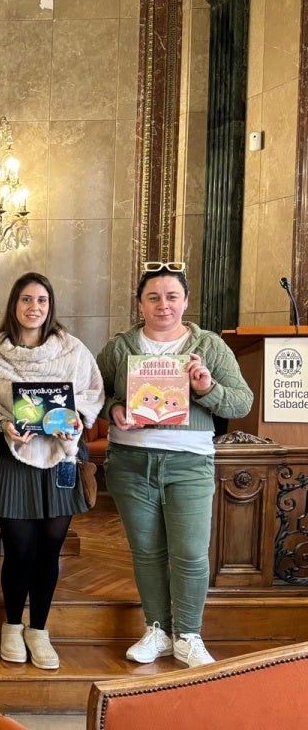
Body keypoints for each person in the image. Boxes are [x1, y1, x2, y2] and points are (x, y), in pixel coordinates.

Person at [96, 261, 252, 668]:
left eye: (171, 296)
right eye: (153, 297)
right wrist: (114, 411)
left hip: (190, 463)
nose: (162, 305)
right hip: (131, 461)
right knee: (146, 551)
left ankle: (188, 634)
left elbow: (242, 402)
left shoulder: (210, 347)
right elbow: (94, 395)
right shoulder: (119, 347)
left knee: (191, 552)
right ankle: (157, 629)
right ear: (140, 304)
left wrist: (206, 387)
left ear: (185, 302)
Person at [0, 273, 104, 670]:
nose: (34, 308)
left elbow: (92, 394)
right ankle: (12, 625)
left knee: (50, 549)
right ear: (14, 305)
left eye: (42, 300)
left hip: (60, 459)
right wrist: (2, 424)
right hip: (13, 460)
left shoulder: (73, 352)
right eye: (26, 300)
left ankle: (39, 628)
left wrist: (75, 419)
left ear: (50, 306)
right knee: (19, 550)